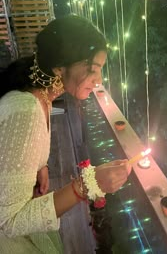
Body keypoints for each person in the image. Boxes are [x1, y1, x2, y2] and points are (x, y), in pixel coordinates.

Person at [0, 15, 132, 254]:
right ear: (60, 67)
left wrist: (38, 165)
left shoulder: (41, 98)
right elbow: (9, 222)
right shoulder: (26, 110)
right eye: (93, 69)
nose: (99, 80)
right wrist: (90, 184)